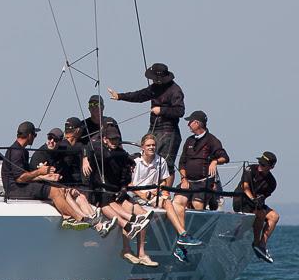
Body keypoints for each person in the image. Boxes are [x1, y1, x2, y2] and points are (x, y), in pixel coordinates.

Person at [107, 63, 185, 186]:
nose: (152, 80)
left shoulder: (175, 90)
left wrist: (162, 110)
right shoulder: (155, 87)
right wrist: (120, 96)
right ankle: (145, 189)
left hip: (169, 131)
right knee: (145, 155)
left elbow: (180, 111)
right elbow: (140, 95)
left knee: (166, 164)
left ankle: (164, 194)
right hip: (154, 128)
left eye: (154, 78)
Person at [1, 121, 90, 229]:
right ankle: (78, 219)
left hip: (21, 186)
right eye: (35, 135)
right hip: (15, 189)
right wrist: (40, 171)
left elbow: (26, 176)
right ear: (29, 135)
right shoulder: (17, 151)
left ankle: (68, 217)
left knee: (60, 190)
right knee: (54, 192)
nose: (35, 137)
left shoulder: (22, 151)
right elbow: (20, 178)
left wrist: (45, 177)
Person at [170, 110, 229, 262]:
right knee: (177, 203)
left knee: (197, 206)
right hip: (187, 181)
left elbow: (225, 157)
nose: (188, 124)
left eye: (190, 121)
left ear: (197, 123)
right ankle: (182, 237)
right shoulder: (189, 140)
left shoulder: (212, 140)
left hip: (203, 182)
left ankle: (193, 243)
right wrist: (183, 178)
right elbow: (181, 162)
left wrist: (215, 161)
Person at [85, 127, 153, 247]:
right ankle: (130, 221)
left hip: (111, 191)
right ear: (105, 139)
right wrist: (85, 159)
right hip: (97, 191)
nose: (115, 142)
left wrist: (123, 187)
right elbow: (86, 147)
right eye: (112, 139)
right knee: (104, 200)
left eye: (116, 139)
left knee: (110, 199)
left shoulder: (121, 154)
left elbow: (125, 173)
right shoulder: (96, 149)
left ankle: (133, 223)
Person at [124, 134, 169, 267]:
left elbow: (164, 180)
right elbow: (128, 183)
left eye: (153, 145)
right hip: (134, 195)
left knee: (168, 203)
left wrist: (156, 192)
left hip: (153, 195)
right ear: (142, 147)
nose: (151, 147)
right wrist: (142, 195)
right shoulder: (134, 160)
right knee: (138, 215)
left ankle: (181, 235)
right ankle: (128, 249)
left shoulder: (161, 161)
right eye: (148, 145)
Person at [233, 151, 279, 263]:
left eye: (263, 165)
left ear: (271, 167)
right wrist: (253, 199)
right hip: (242, 200)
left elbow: (263, 197)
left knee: (274, 216)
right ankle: (256, 243)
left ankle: (262, 245)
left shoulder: (272, 183)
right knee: (260, 213)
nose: (260, 166)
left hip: (256, 203)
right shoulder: (250, 169)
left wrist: (258, 200)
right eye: (260, 163)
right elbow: (245, 187)